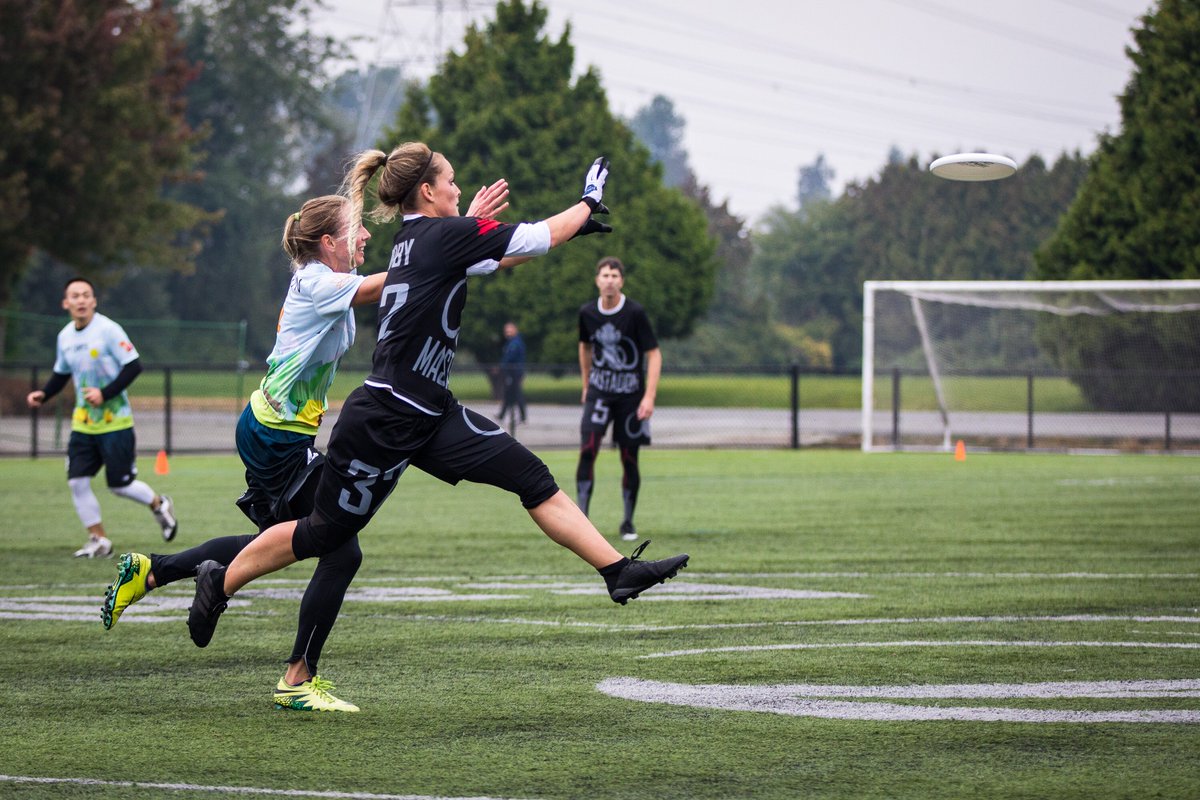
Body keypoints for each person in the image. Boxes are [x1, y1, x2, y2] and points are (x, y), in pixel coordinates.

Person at [185, 144, 689, 711]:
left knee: (531, 477)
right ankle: (220, 582)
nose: (456, 188)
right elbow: (537, 238)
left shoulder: (425, 238)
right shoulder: (436, 237)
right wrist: (587, 201)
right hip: (386, 418)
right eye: (450, 180)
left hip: (430, 413)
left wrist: (479, 222)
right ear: (427, 191)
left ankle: (617, 571)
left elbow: (502, 257)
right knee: (324, 535)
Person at [101, 185, 510, 714]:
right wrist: (453, 242)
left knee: (286, 539)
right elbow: (403, 281)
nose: (365, 236)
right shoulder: (317, 282)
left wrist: (468, 242)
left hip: (278, 432)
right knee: (337, 547)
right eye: (355, 230)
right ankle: (294, 676)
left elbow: (420, 283)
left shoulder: (328, 277)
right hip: (275, 435)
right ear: (326, 242)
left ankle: (154, 571)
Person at [26, 277, 178, 558]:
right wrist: (44, 395)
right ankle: (99, 540)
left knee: (120, 486)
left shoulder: (108, 330)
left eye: (86, 295)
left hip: (116, 423)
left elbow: (134, 366)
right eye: (75, 296)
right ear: (66, 303)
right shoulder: (65, 337)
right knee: (77, 481)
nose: (81, 300)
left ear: (94, 301)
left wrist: (105, 393)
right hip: (83, 425)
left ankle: (159, 504)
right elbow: (61, 374)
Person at [576, 257, 662, 541]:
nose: (609, 280)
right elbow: (585, 346)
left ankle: (628, 521)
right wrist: (586, 383)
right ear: (597, 280)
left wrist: (648, 397)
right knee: (588, 449)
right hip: (600, 393)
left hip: (630, 396)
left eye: (614, 275)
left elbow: (654, 353)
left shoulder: (635, 312)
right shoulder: (587, 312)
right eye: (605, 275)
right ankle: (581, 520)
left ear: (621, 281)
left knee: (629, 457)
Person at [496, 320, 527, 424]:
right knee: (509, 394)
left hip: (514, 372)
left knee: (517, 394)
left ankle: (522, 417)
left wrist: (500, 366)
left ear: (515, 330)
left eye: (509, 330)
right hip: (510, 372)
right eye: (506, 330)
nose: (507, 332)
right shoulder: (510, 342)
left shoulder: (515, 343)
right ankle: (502, 415)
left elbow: (509, 357)